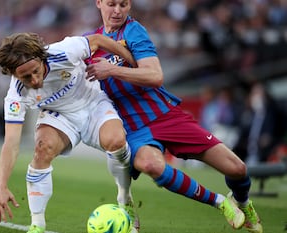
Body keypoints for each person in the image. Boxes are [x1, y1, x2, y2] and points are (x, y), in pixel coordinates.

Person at [84, 1, 262, 233]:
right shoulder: (88, 43)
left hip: (165, 116)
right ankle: (219, 202)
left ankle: (243, 202)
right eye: (111, 4)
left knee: (237, 169)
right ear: (99, 3)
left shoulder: (132, 30)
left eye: (124, 4)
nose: (117, 10)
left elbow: (155, 75)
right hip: (133, 129)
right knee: (150, 164)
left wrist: (112, 69)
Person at [0, 32, 139, 233]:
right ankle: (37, 225)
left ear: (42, 59)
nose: (35, 80)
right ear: (13, 74)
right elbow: (10, 143)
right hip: (59, 115)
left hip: (92, 102)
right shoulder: (16, 95)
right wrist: (1, 186)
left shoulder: (63, 51)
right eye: (26, 77)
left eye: (36, 71)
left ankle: (124, 197)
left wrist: (135, 64)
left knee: (116, 140)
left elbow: (98, 40)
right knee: (42, 150)